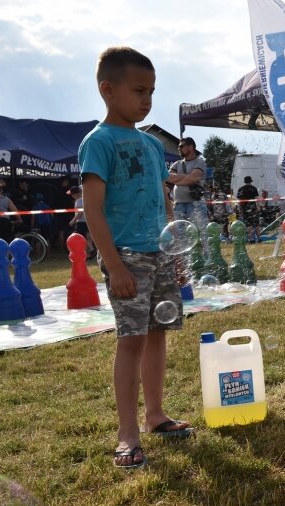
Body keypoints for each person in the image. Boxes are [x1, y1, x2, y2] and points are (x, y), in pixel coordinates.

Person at [78, 46, 192, 470]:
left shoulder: (150, 143)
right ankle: (128, 433)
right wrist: (115, 264)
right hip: (127, 256)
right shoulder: (98, 143)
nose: (147, 100)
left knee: (158, 335)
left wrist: (173, 243)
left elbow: (163, 198)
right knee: (131, 342)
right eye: (138, 90)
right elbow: (93, 209)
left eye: (152, 91)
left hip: (159, 254)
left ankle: (156, 415)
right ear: (108, 90)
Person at [167, 137, 209, 253]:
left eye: (181, 146)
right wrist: (187, 178)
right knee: (181, 236)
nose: (178, 149)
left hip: (195, 204)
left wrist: (177, 180)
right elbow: (169, 178)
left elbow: (193, 178)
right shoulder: (177, 163)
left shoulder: (200, 162)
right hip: (178, 204)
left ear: (190, 147)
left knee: (202, 232)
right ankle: (187, 262)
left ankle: (207, 259)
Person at [67, 185, 97, 259]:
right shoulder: (85, 199)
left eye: (72, 195)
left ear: (75, 194)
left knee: (81, 237)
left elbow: (80, 212)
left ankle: (92, 249)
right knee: (87, 237)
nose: (72, 196)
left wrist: (73, 220)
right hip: (87, 220)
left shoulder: (79, 201)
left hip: (81, 222)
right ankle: (89, 253)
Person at [236, 176, 260, 243]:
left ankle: (251, 239)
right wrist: (258, 207)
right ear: (251, 181)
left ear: (244, 181)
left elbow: (239, 201)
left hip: (245, 208)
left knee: (249, 225)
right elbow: (257, 198)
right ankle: (259, 239)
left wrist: (240, 210)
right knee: (257, 224)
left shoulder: (241, 189)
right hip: (253, 208)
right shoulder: (254, 188)